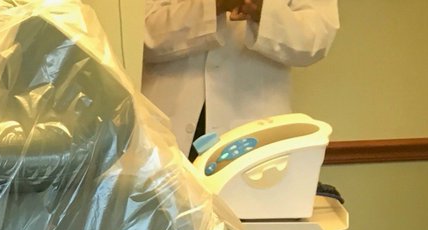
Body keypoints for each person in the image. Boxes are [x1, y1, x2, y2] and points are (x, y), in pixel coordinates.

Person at [142, 0, 339, 157]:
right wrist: (215, 6)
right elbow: (140, 34)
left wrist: (262, 10)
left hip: (253, 131)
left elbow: (315, 41)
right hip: (165, 126)